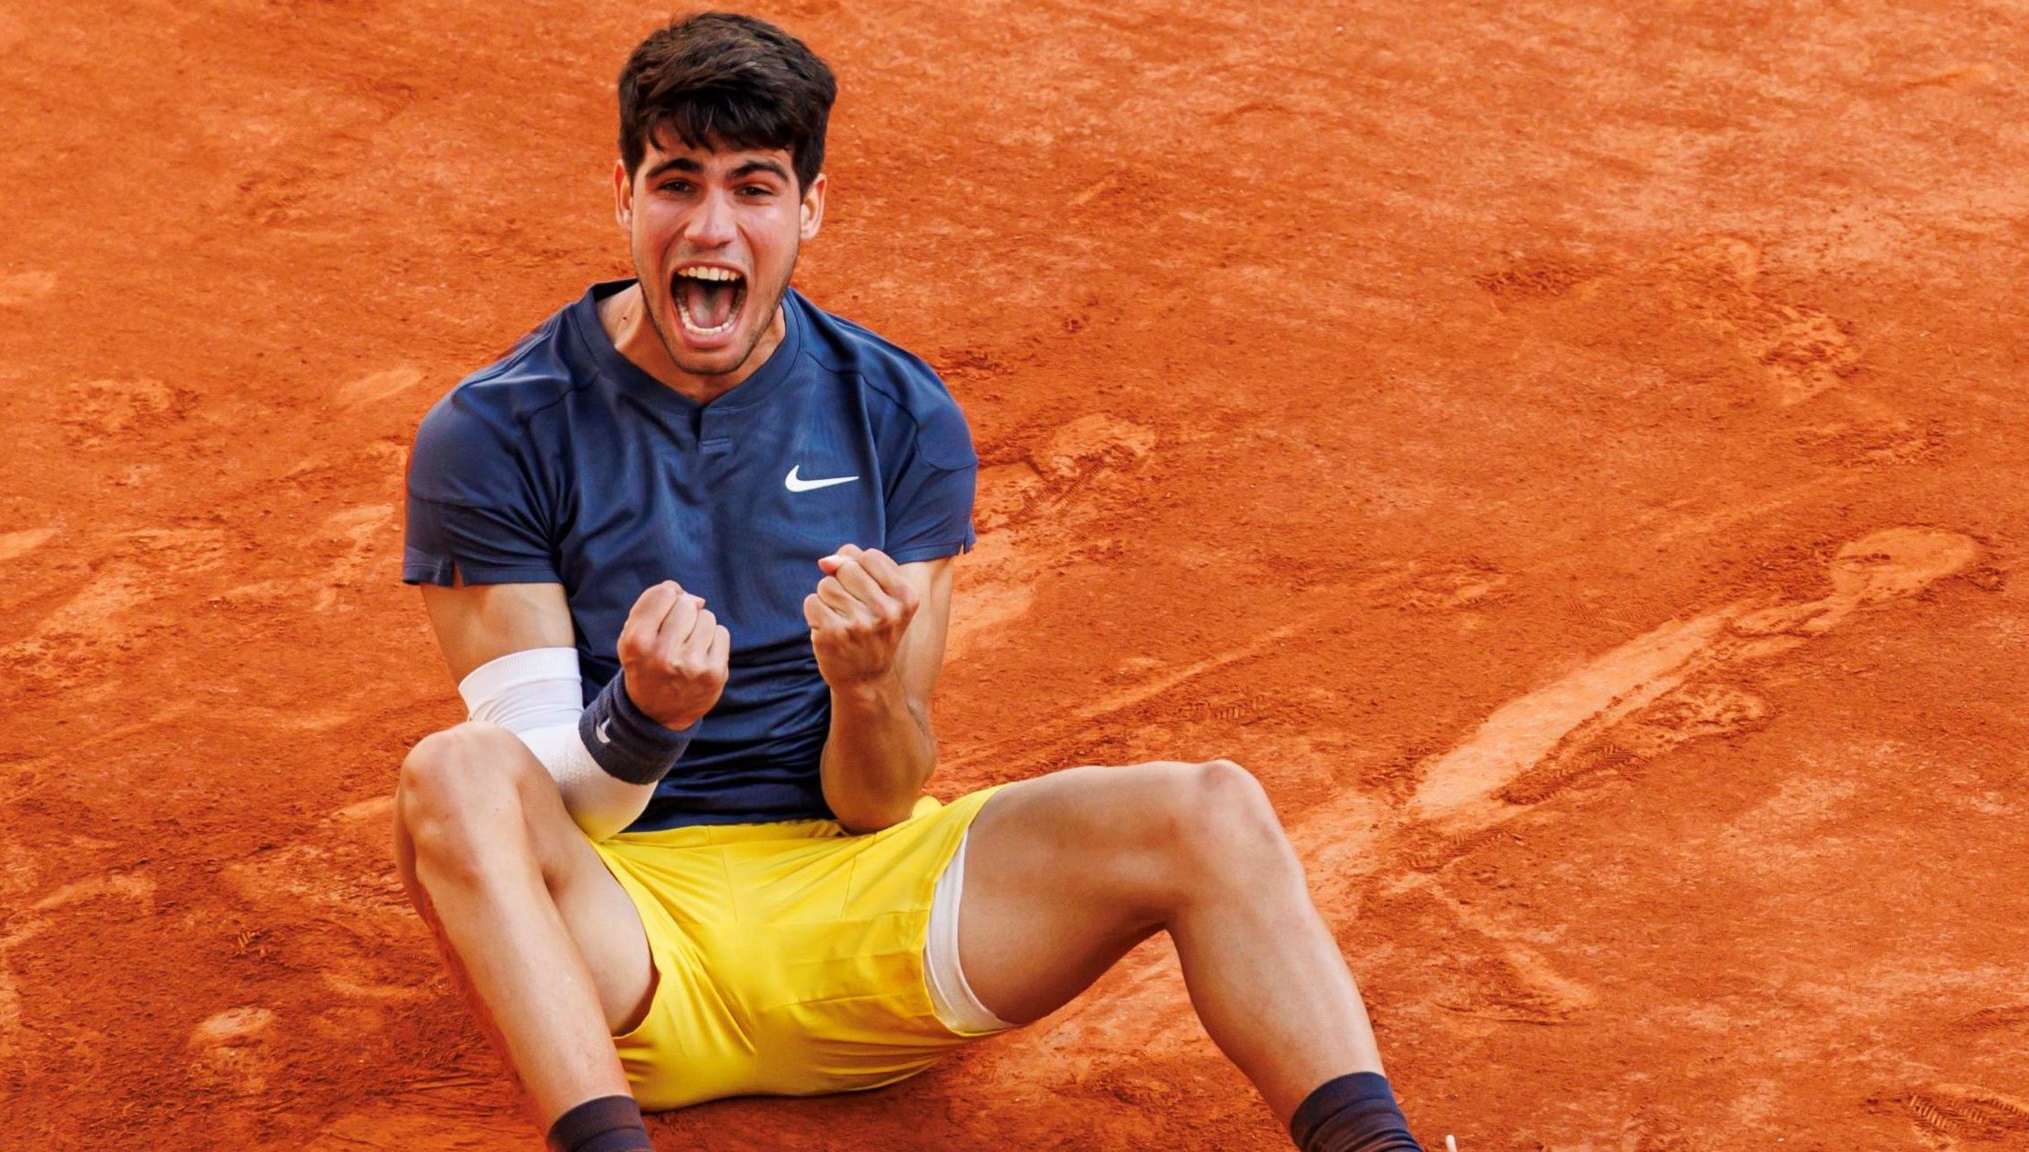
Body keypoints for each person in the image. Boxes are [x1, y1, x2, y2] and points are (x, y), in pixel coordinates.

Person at [394, 13, 1425, 1152]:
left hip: (866, 935)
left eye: (754, 188)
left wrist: (871, 686)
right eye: (676, 183)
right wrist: (639, 720)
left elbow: (877, 804)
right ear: (624, 199)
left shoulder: (897, 414)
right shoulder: (494, 432)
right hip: (623, 948)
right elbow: (540, 790)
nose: (713, 224)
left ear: (810, 210)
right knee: (454, 776)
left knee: (1210, 811)